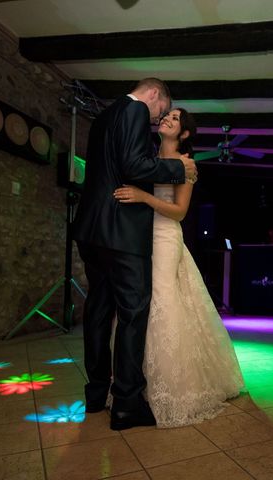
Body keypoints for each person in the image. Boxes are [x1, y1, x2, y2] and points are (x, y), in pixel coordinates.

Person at [72, 78, 198, 431]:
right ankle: (126, 403)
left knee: (98, 309)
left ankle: (96, 393)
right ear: (155, 95)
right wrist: (179, 169)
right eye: (162, 110)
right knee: (133, 311)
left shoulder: (103, 117)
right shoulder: (134, 110)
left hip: (92, 228)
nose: (159, 118)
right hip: (121, 230)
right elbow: (133, 166)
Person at [113, 108, 244, 427]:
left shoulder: (187, 166)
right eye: (166, 115)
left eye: (175, 119)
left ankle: (172, 389)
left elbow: (179, 211)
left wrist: (143, 196)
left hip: (165, 236)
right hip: (138, 239)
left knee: (163, 300)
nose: (166, 119)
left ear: (184, 134)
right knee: (137, 305)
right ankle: (133, 383)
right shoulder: (145, 154)